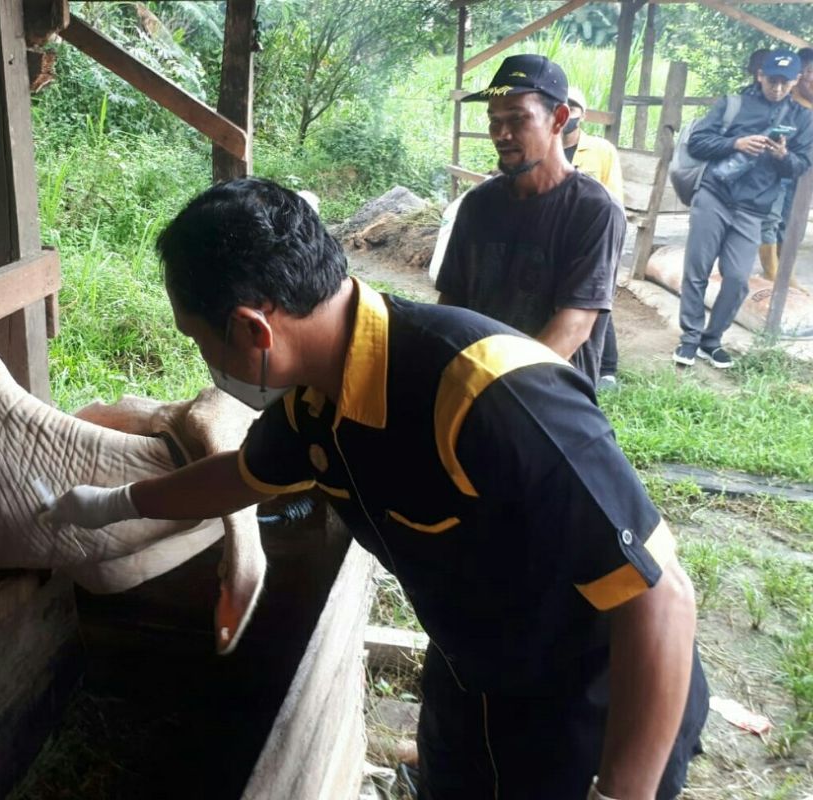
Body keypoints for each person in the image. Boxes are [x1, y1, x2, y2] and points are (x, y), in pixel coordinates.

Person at [42, 176, 708, 799]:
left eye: (198, 339)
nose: (204, 360)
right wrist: (111, 504)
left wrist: (620, 793)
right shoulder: (315, 402)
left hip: (590, 710)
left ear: (253, 327)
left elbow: (661, 599)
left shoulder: (487, 394)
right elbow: (238, 477)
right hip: (473, 676)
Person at [434, 54, 624, 385]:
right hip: (473, 387)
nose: (501, 134)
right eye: (494, 120)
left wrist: (499, 387)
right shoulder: (478, 204)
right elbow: (452, 302)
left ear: (559, 118)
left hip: (549, 396)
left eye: (518, 119)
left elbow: (574, 327)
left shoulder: (594, 210)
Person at [674, 49, 813, 369]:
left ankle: (712, 340)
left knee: (737, 278)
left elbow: (801, 165)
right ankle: (690, 338)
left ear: (795, 81)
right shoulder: (733, 104)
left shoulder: (802, 118)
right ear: (760, 76)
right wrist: (735, 144)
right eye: (772, 81)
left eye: (785, 82)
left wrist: (782, 157)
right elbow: (698, 143)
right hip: (714, 194)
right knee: (697, 269)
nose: (778, 88)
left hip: (753, 208)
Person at [564, 85, 627, 391]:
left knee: (597, 303)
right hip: (558, 238)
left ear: (582, 115)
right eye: (561, 106)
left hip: (592, 236)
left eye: (573, 108)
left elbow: (612, 196)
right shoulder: (541, 147)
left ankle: (607, 369)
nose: (566, 113)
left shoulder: (600, 150)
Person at [758, 48, 813, 293]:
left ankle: (784, 272)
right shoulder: (788, 102)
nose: (811, 78)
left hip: (802, 170)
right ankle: (772, 272)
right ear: (798, 76)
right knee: (771, 218)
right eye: (808, 72)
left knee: (793, 222)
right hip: (778, 168)